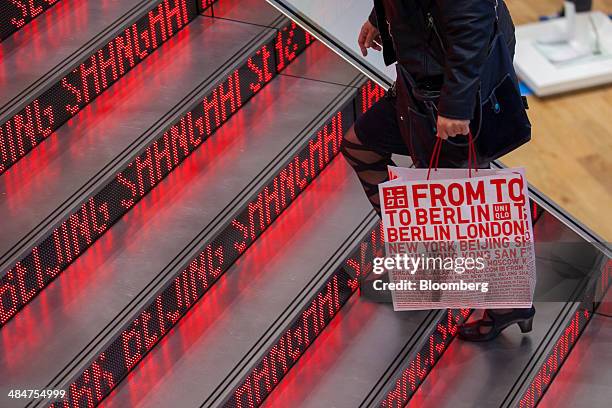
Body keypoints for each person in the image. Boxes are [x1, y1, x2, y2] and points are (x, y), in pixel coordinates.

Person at [341, 0, 535, 342]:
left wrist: (456, 106)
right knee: (362, 145)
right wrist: (379, 18)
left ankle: (508, 304)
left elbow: (470, 26)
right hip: (426, 77)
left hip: (448, 87)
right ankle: (424, 258)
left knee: (459, 197)